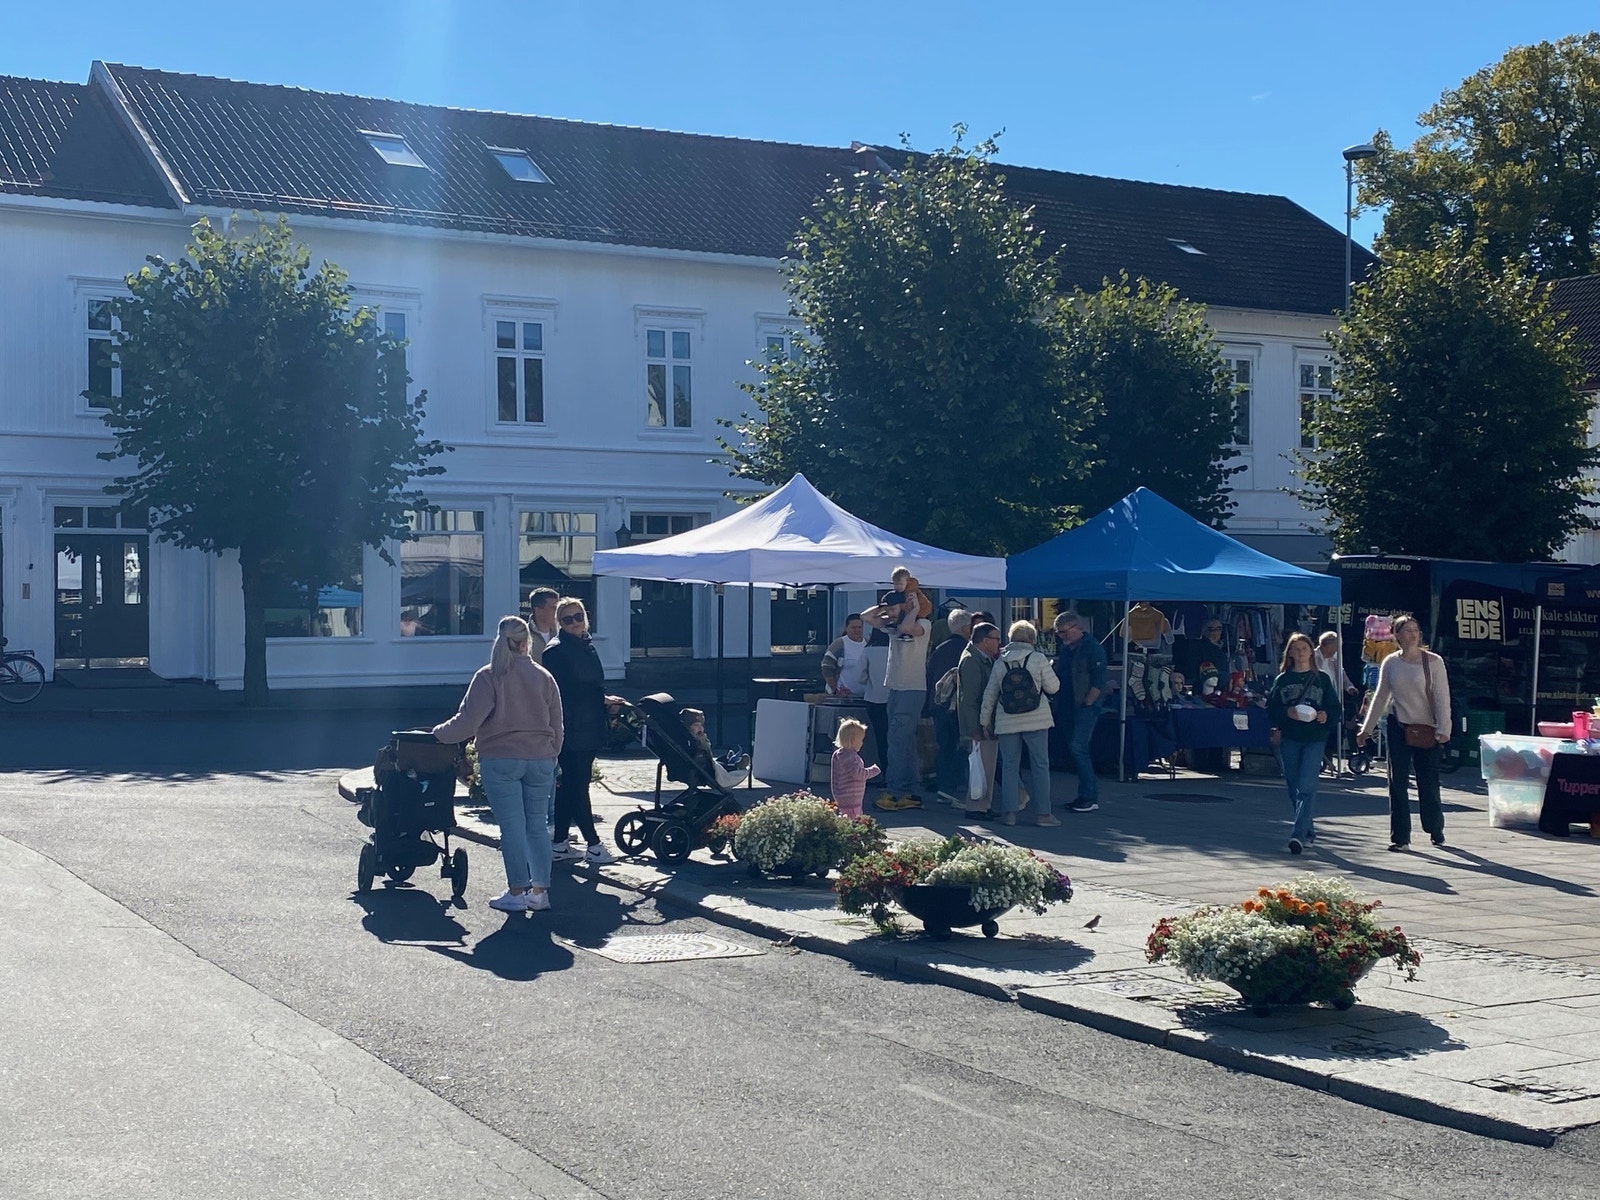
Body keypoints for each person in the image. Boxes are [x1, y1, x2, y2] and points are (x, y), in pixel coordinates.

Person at [431, 615, 563, 912]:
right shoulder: (544, 676)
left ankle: (516, 891)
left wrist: (438, 734)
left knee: (512, 827)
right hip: (541, 757)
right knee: (538, 827)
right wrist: (551, 752)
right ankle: (540, 893)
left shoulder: (489, 675)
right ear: (527, 641)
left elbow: (468, 721)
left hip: (501, 757)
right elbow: (557, 723)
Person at [1356, 614, 1452, 852]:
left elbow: (1442, 697)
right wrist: (1366, 729)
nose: (1413, 634)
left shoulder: (1433, 661)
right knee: (1396, 782)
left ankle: (1434, 827)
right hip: (1399, 726)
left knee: (1427, 783)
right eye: (1407, 630)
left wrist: (1444, 729)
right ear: (1396, 635)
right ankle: (1400, 837)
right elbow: (1381, 696)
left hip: (1428, 728)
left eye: (1416, 629)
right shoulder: (1391, 662)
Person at [539, 597, 619, 864]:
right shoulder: (556, 651)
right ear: (559, 623)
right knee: (577, 785)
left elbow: (592, 686)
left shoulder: (586, 645)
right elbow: (560, 695)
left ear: (585, 617)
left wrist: (604, 700)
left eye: (578, 617)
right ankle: (594, 844)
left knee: (569, 785)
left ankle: (560, 842)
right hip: (571, 728)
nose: (574, 623)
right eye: (567, 619)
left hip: (590, 724)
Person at [979, 620, 1061, 827]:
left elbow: (990, 694)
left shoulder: (1000, 662)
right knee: (1040, 765)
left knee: (1009, 767)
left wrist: (984, 721)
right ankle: (1044, 815)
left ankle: (1010, 814)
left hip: (1007, 720)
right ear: (1032, 639)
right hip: (1037, 719)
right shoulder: (1038, 658)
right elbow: (1054, 688)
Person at [862, 578, 932, 810]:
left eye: (893, 608)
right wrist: (885, 607)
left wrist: (912, 607)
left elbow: (906, 628)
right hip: (895, 689)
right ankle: (911, 791)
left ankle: (893, 792)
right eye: (887, 609)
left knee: (896, 740)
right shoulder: (891, 624)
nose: (889, 614)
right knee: (906, 742)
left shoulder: (923, 623)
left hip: (912, 690)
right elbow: (865, 617)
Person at [1266, 632, 1333, 855]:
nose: (1301, 653)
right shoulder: (1283, 679)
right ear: (1290, 653)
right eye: (1296, 649)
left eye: (1305, 649)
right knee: (1294, 786)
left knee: (1306, 785)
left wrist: (1325, 715)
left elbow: (1335, 709)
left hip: (1314, 738)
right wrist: (1287, 713)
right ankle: (1308, 831)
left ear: (1311, 651)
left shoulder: (1322, 679)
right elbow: (1271, 709)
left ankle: (1297, 834)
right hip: (1291, 737)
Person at [1052, 611, 1106, 814]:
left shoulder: (1093, 649)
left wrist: (1087, 703)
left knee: (1078, 747)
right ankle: (1084, 795)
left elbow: (1099, 681)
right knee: (1075, 749)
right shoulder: (1066, 650)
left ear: (1077, 628)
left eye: (1064, 632)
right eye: (1059, 633)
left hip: (1084, 707)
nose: (1062, 636)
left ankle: (1089, 796)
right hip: (1066, 706)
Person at [957, 621, 1002, 820]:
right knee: (981, 766)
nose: (999, 643)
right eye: (996, 639)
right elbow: (969, 698)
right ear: (985, 641)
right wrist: (975, 727)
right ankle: (976, 807)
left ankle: (984, 804)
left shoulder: (983, 658)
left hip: (987, 723)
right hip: (979, 725)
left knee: (988, 766)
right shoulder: (971, 660)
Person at [926, 609, 971, 803]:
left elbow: (929, 677)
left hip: (938, 705)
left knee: (944, 746)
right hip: (958, 706)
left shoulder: (940, 648)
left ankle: (945, 787)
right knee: (963, 746)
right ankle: (956, 787)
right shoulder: (968, 650)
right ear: (965, 628)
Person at [1314, 630, 1358, 771]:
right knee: (1320, 731)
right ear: (1326, 645)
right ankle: (1319, 760)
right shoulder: (1314, 657)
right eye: (1336, 647)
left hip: (1332, 700)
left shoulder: (1335, 658)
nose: (1337, 650)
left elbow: (1342, 674)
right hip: (1318, 700)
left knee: (1334, 731)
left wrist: (1349, 687)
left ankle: (1327, 758)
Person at [681, 707, 751, 789]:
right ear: (687, 727)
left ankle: (729, 760)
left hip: (705, 766)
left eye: (701, 725)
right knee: (722, 768)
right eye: (696, 725)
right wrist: (703, 740)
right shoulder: (693, 741)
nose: (701, 729)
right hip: (703, 770)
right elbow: (704, 753)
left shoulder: (685, 739)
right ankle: (736, 766)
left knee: (720, 763)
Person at [829, 718, 879, 818]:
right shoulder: (852, 758)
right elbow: (858, 774)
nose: (862, 743)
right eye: (861, 740)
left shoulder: (838, 754)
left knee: (844, 817)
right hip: (852, 797)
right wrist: (873, 771)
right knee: (854, 820)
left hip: (841, 795)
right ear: (852, 741)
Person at [821, 614, 871, 698]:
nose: (857, 630)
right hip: (843, 698)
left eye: (859, 627)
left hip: (864, 697)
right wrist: (835, 690)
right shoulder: (838, 645)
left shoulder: (868, 645)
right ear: (846, 628)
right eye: (853, 627)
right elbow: (826, 667)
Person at [526, 586, 561, 651]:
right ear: (539, 611)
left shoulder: (561, 635)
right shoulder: (522, 635)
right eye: (554, 608)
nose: (558, 612)